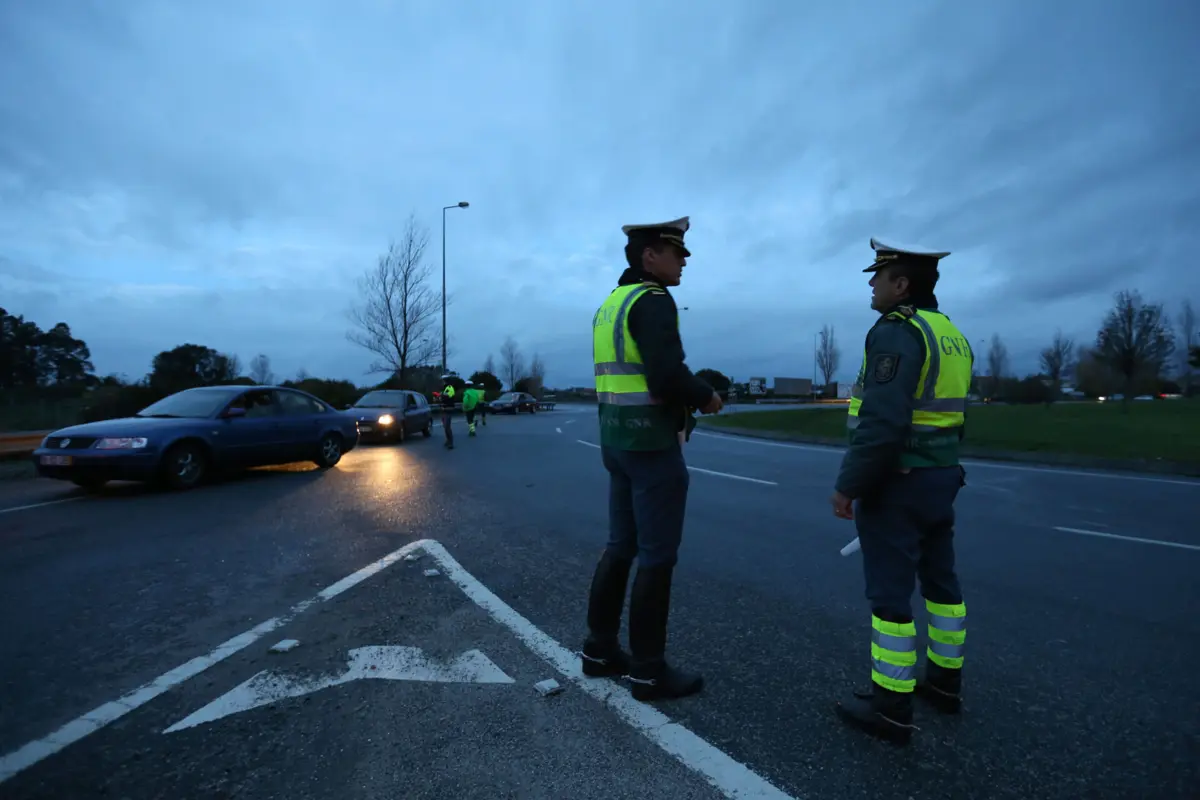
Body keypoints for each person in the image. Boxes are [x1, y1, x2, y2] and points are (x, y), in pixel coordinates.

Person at [830, 238, 973, 744]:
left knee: (890, 594)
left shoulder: (896, 331)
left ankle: (891, 707)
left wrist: (850, 484)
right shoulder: (949, 333)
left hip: (900, 480)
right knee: (942, 585)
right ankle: (944, 684)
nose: (871, 284)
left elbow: (883, 419)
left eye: (879, 275)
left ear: (902, 284)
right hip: (941, 476)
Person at [581, 215, 723, 702]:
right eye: (676, 251)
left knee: (620, 545)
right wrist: (705, 395)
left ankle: (598, 652)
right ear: (650, 256)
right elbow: (666, 375)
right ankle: (648, 671)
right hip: (651, 446)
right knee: (657, 557)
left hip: (615, 442)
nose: (684, 260)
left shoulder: (611, 304)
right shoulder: (653, 299)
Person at [438, 374, 457, 449]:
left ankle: (451, 442)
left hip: (448, 408)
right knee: (445, 426)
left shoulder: (450, 388)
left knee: (447, 426)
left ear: (444, 381)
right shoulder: (444, 388)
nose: (441, 382)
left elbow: (449, 396)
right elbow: (443, 398)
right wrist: (439, 397)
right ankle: (448, 440)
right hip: (444, 408)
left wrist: (441, 396)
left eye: (442, 381)